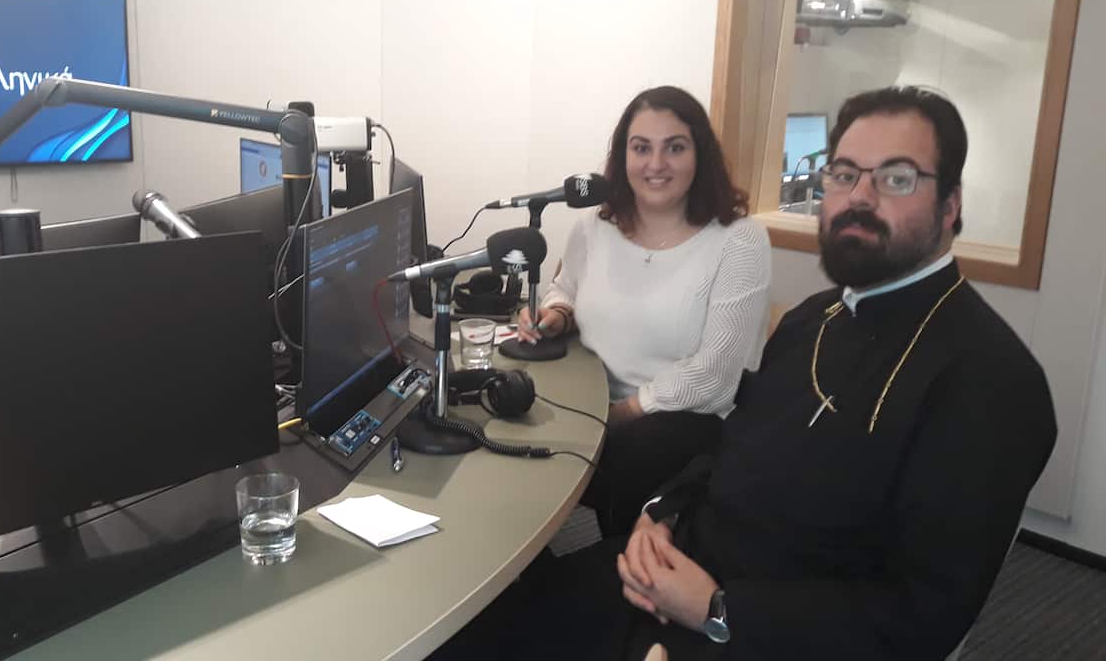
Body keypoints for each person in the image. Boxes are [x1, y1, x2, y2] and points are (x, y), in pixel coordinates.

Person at [437, 86, 1057, 660]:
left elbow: (923, 616)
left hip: (758, 629)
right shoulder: (816, 318)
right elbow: (733, 446)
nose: (859, 197)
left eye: (897, 178)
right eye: (844, 174)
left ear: (950, 205)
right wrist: (659, 511)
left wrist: (716, 611)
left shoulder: (991, 383)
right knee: (469, 623)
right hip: (679, 565)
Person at [516, 85, 771, 535]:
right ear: (623, 156)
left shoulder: (739, 241)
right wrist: (555, 315)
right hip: (589, 406)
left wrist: (621, 415)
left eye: (674, 147)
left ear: (700, 155)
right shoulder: (595, 225)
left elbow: (714, 376)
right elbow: (565, 288)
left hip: (677, 425)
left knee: (565, 479)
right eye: (641, 148)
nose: (656, 164)